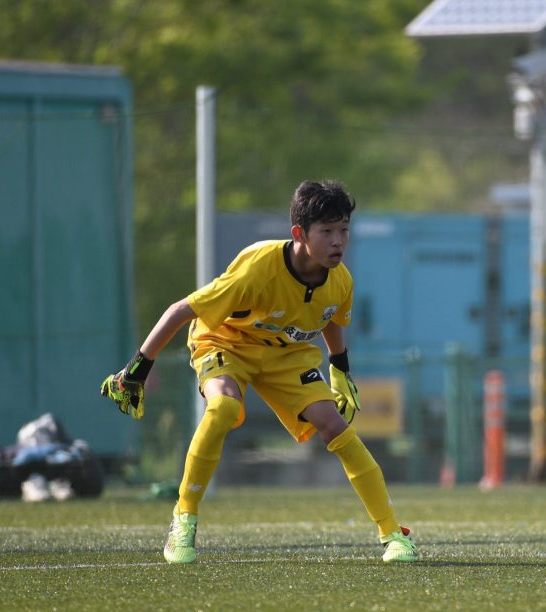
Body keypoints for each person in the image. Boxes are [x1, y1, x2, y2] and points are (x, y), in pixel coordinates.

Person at [100, 180, 418, 563]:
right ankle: (183, 518)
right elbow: (180, 310)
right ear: (299, 233)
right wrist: (135, 371)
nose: (338, 241)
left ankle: (393, 535)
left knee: (335, 426)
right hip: (225, 341)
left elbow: (331, 315)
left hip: (286, 355)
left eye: (344, 230)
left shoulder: (341, 280)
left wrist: (340, 368)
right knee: (224, 408)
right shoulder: (259, 267)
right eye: (327, 231)